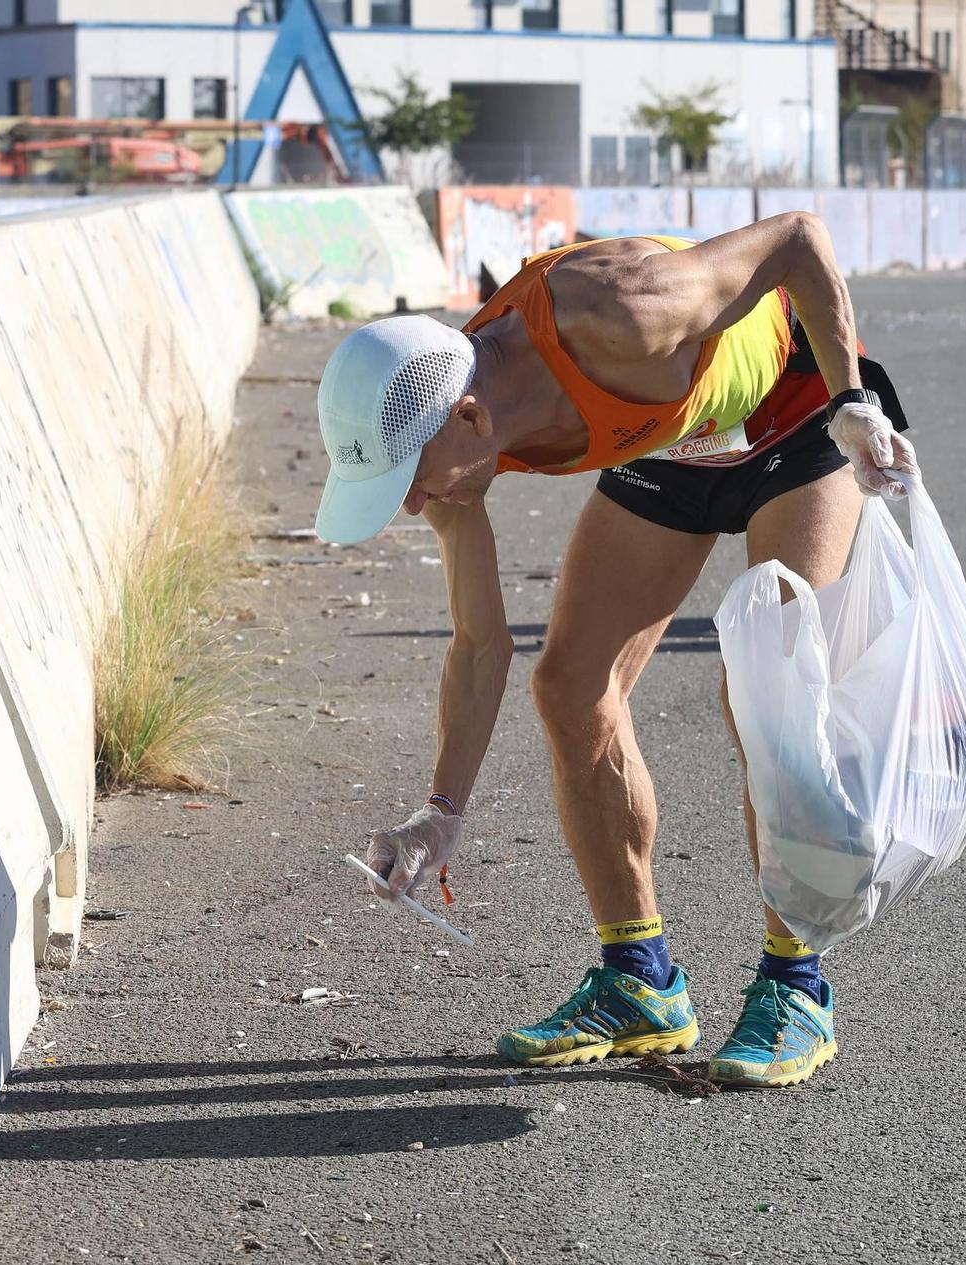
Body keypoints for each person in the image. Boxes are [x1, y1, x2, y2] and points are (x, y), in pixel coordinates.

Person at [313, 220, 917, 1089]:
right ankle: (641, 981)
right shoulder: (449, 444)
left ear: (473, 416)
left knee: (771, 683)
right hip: (679, 438)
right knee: (569, 688)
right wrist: (441, 809)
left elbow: (801, 238)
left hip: (796, 414)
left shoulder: (621, 315)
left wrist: (853, 400)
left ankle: (796, 985)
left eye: (411, 479)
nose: (413, 504)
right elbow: (483, 643)